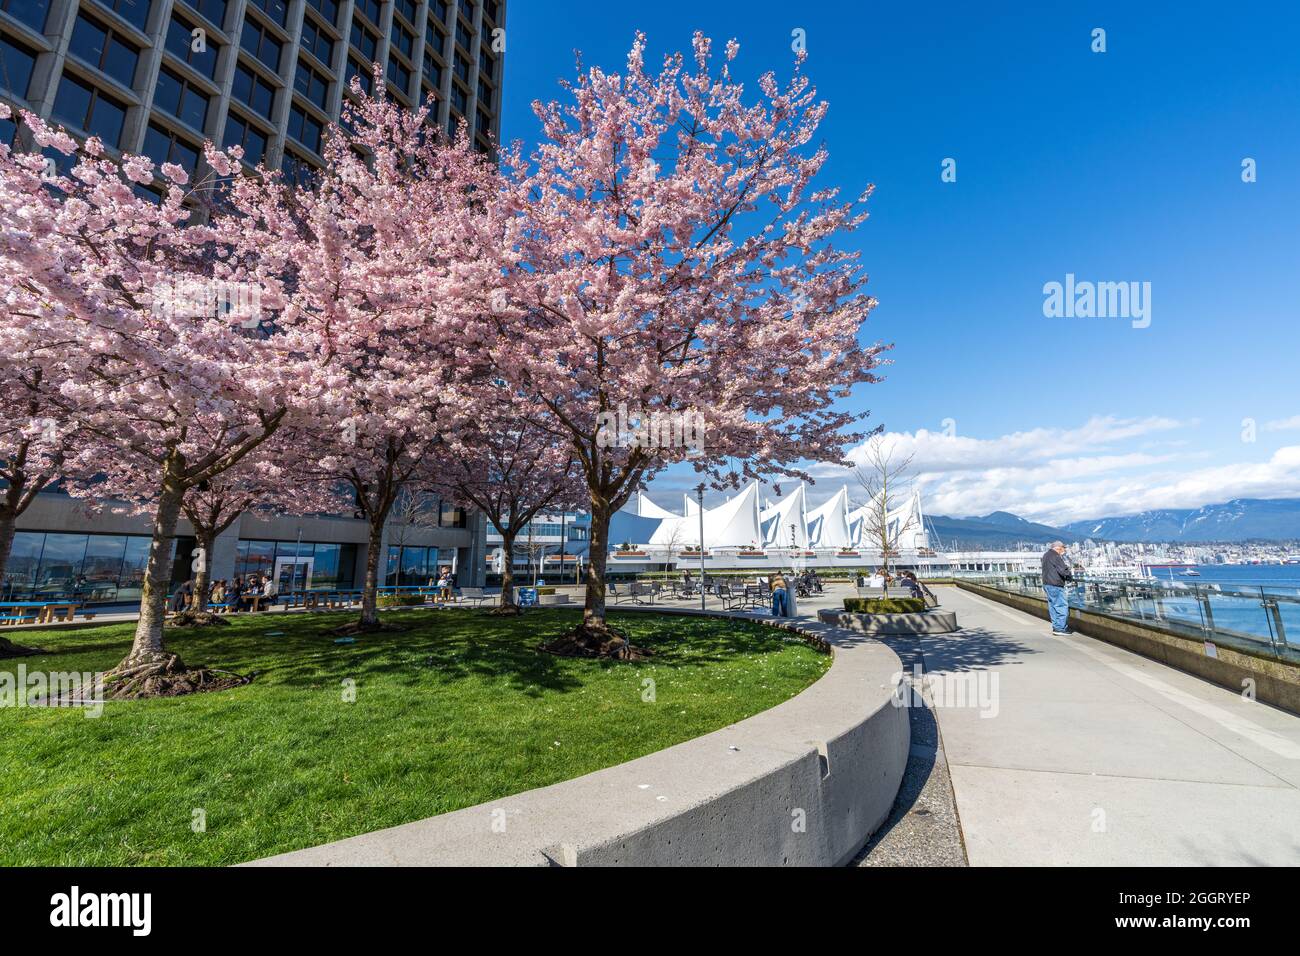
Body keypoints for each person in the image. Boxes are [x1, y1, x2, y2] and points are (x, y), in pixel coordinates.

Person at [1041, 541, 1073, 635]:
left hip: (1047, 584)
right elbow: (1063, 570)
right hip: (1055, 584)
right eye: (1063, 548)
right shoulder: (1055, 556)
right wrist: (1069, 576)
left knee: (1053, 606)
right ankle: (1061, 628)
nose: (1064, 550)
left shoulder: (1046, 555)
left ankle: (1056, 627)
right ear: (1059, 548)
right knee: (1061, 606)